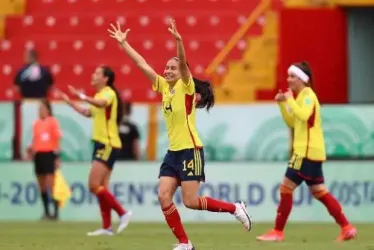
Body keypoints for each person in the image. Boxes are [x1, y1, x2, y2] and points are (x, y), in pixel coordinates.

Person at [108, 20, 252, 250]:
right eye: (166, 68)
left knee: (190, 202)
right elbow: (142, 64)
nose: (168, 70)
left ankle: (235, 208)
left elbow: (183, 65)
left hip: (190, 149)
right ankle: (185, 243)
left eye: (172, 68)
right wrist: (124, 44)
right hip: (173, 152)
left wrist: (179, 42)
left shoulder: (187, 86)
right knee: (164, 196)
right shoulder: (164, 86)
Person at [256, 62, 357, 242]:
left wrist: (289, 100)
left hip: (305, 153)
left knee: (286, 188)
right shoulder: (301, 96)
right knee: (320, 192)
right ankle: (347, 227)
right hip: (310, 152)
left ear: (303, 79)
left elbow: (302, 115)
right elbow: (293, 122)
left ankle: (278, 231)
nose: (289, 80)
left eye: (293, 76)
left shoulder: (308, 95)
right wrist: (282, 104)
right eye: (288, 76)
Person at [58, 66, 132, 236]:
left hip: (108, 144)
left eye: (97, 73)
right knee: (101, 187)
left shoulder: (108, 93)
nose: (93, 75)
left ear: (105, 79)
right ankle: (107, 227)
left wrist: (81, 96)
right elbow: (87, 112)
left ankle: (123, 213)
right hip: (101, 144)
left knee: (93, 185)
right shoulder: (99, 95)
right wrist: (69, 101)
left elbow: (102, 103)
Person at [25, 99, 61, 220]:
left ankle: (55, 211)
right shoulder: (36, 123)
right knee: (42, 185)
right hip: (38, 155)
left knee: (51, 184)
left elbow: (57, 140)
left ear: (48, 110)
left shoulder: (53, 122)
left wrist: (57, 157)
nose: (40, 111)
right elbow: (36, 140)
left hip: (49, 154)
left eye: (42, 108)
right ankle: (46, 212)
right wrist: (31, 150)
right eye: (39, 109)